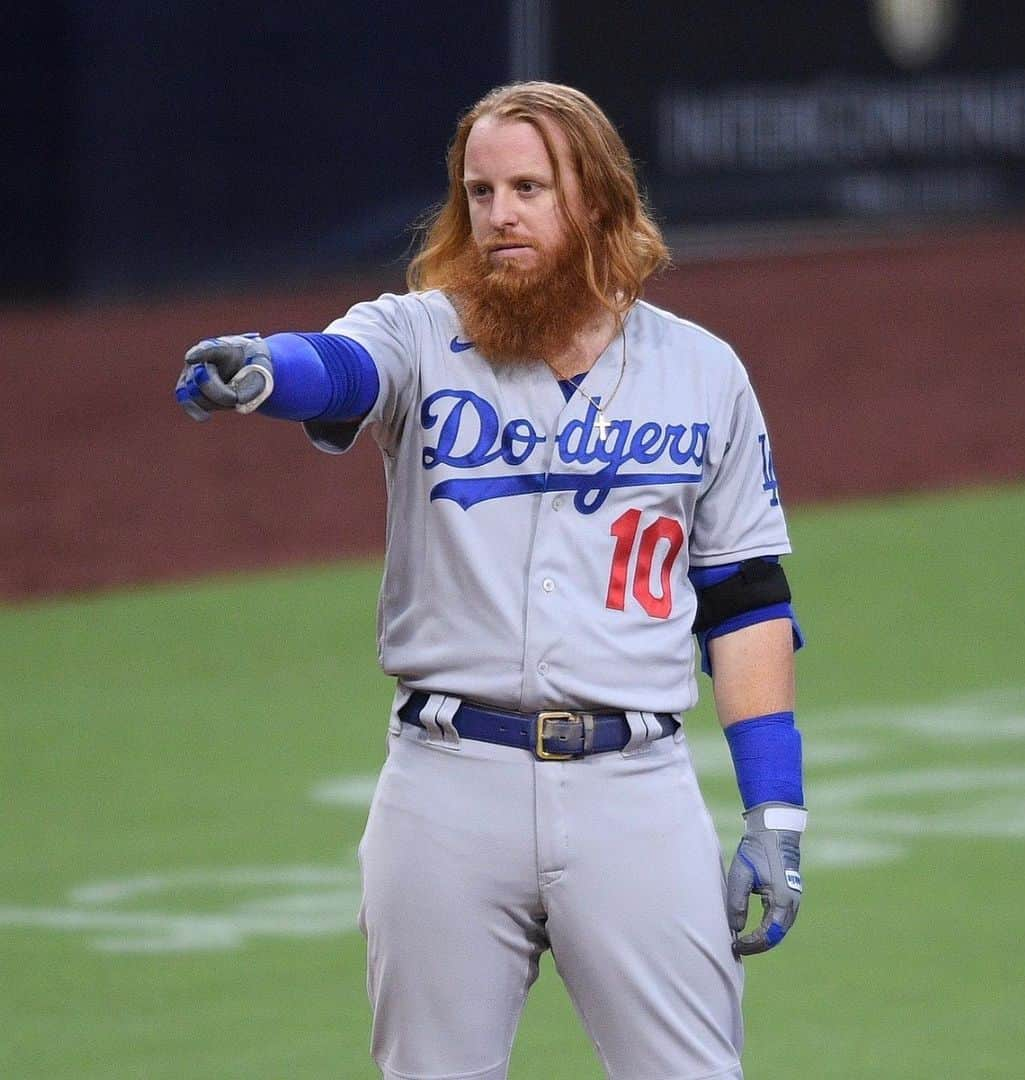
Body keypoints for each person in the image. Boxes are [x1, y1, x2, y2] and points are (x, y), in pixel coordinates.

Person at [176, 81, 806, 1080]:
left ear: (596, 198)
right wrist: (263, 368)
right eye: (480, 192)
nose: (500, 216)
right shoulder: (421, 336)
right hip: (445, 788)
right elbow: (339, 369)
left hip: (633, 795)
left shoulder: (703, 372)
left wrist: (776, 809)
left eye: (528, 188)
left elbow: (746, 601)